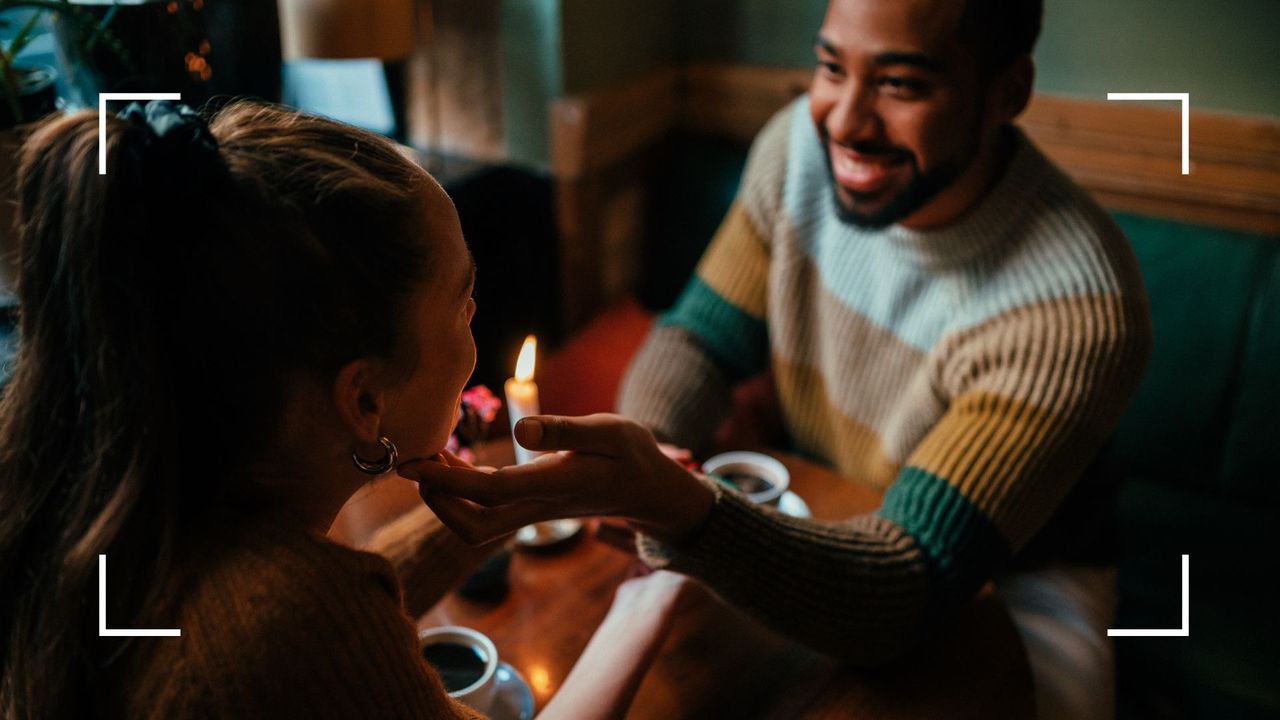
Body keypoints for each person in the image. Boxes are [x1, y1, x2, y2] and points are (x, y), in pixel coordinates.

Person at [405, 1, 1153, 718]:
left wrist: (679, 506)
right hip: (822, 509)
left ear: (1007, 91)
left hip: (1016, 583)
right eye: (832, 67)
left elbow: (903, 592)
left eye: (901, 84)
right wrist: (650, 446)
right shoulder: (798, 148)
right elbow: (696, 338)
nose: (846, 121)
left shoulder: (1077, 306)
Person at [0, 100, 694, 719]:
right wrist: (646, 601)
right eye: (463, 301)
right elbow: (302, 622)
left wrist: (519, 501)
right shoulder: (295, 617)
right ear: (364, 399)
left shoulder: (126, 508)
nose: (477, 316)